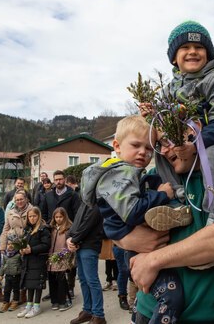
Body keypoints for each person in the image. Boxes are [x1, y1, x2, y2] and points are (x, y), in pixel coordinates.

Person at [114, 124, 214, 323]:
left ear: (194, 130)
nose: (165, 150)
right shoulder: (162, 183)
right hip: (150, 309)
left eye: (169, 139)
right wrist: (124, 239)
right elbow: (115, 219)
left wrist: (152, 260)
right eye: (159, 144)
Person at [141, 20, 214, 226]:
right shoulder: (170, 89)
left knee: (213, 154)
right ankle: (178, 200)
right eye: (185, 47)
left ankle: (213, 214)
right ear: (174, 58)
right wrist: (152, 116)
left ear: (208, 53)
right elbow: (166, 123)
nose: (192, 52)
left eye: (199, 47)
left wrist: (194, 146)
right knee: (160, 152)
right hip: (195, 141)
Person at [81, 115, 189, 323]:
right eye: (136, 145)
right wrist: (163, 195)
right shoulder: (117, 175)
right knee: (171, 295)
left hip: (132, 243)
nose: (143, 152)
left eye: (149, 148)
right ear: (117, 146)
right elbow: (131, 211)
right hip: (134, 250)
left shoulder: (130, 173)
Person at [41, 170, 81, 297]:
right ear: (53, 180)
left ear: (64, 180)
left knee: (69, 260)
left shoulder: (73, 195)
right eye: (56, 179)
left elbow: (77, 214)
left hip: (68, 231)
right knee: (53, 260)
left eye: (60, 179)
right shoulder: (48, 195)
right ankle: (55, 289)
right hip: (53, 232)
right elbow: (45, 213)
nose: (58, 182)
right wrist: (49, 225)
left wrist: (72, 230)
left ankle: (70, 287)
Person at [67, 202, 106, 324]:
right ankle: (88, 311)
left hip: (89, 246)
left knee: (92, 281)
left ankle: (99, 315)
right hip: (79, 246)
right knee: (83, 280)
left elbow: (86, 226)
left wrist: (73, 240)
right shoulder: (83, 204)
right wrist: (69, 238)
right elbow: (76, 224)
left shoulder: (95, 205)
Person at [0, 189, 33, 305]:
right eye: (17, 199)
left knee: (25, 270)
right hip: (13, 244)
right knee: (16, 270)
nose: (19, 201)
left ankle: (23, 294)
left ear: (26, 199)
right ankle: (16, 295)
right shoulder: (10, 212)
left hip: (26, 243)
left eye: (21, 199)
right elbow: (6, 229)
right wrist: (3, 245)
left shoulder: (32, 210)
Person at [17, 207, 51, 319]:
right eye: (30, 216)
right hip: (28, 261)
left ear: (38, 216)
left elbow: (46, 245)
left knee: (37, 284)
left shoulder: (43, 229)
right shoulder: (27, 229)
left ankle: (36, 307)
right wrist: (21, 249)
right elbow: (23, 243)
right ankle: (29, 305)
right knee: (29, 283)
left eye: (34, 216)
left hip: (38, 260)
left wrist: (31, 249)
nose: (32, 218)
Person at [48, 207, 73, 312]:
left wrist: (67, 255)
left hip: (63, 257)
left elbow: (70, 244)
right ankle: (55, 301)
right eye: (56, 217)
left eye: (60, 217)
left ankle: (64, 301)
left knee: (61, 280)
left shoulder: (69, 228)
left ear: (64, 217)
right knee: (52, 280)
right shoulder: (51, 228)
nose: (58, 219)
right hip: (51, 257)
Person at [0, 236, 22, 313]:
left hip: (16, 275)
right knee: (6, 290)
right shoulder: (5, 255)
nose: (10, 245)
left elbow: (23, 264)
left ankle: (15, 301)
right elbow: (2, 265)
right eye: (8, 244)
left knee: (16, 290)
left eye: (12, 244)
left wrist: (20, 271)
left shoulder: (18, 255)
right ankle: (6, 302)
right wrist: (0, 275)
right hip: (7, 276)